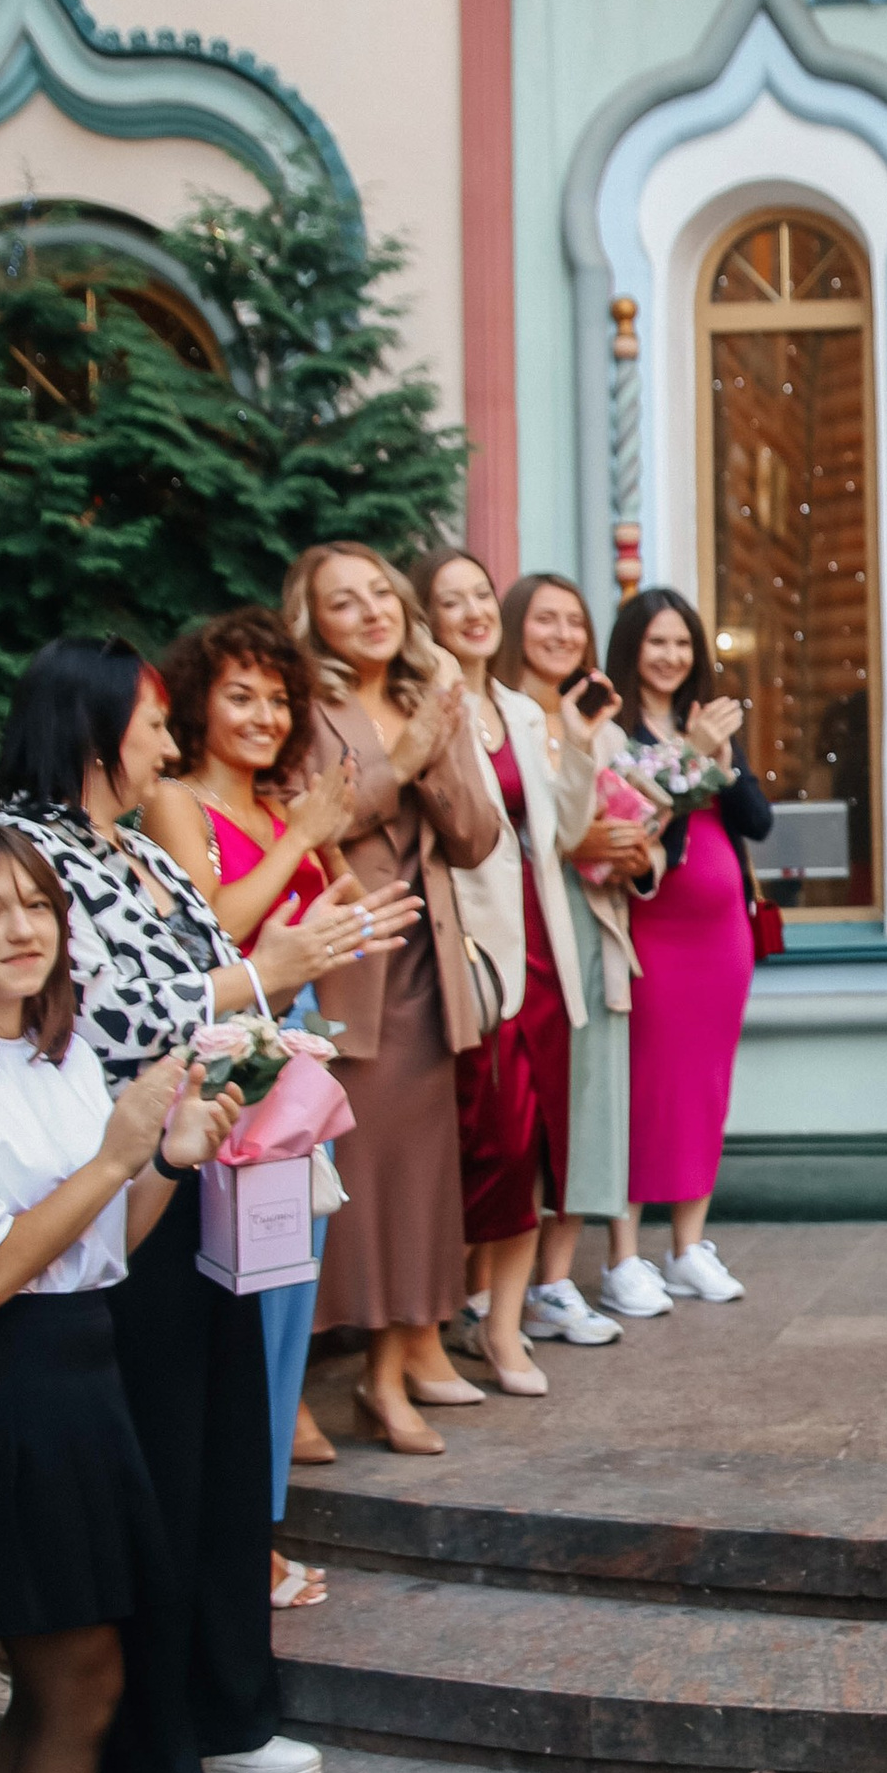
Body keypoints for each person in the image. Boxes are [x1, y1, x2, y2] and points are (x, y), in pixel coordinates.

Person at [0, 638, 397, 1773]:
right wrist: (266, 971)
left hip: (209, 1153)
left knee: (228, 1446)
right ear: (92, 724)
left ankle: (233, 1703)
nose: (166, 745)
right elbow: (97, 1003)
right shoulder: (37, 848)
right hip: (115, 1180)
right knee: (165, 1458)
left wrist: (265, 980)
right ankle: (150, 1754)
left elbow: (211, 958)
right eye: (152, 721)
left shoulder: (133, 845)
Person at [0, 824, 248, 1773]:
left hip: (79, 1369)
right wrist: (110, 1158)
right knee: (71, 1683)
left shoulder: (57, 1055)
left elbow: (105, 1245)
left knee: (60, 1685)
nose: (21, 926)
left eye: (35, 902)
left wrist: (163, 1158)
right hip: (19, 1386)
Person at [145, 606, 352, 1598]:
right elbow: (213, 930)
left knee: (288, 1298)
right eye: (242, 694)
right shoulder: (178, 802)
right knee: (242, 1296)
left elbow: (318, 920)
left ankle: (259, 1520)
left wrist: (336, 873)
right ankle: (241, 1543)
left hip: (302, 1052)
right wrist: (300, 839)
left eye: (279, 697)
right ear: (196, 702)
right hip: (227, 1061)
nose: (265, 714)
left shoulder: (283, 811)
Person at [281, 545, 502, 1457]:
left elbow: (479, 837)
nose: (372, 611)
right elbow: (309, 820)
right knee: (334, 1191)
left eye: (381, 593)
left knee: (413, 1192)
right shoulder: (301, 706)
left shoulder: (426, 700)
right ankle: (287, 1387)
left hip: (424, 972)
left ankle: (383, 1380)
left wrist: (439, 744)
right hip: (341, 967)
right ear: (313, 620)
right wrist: (400, 761)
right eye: (345, 601)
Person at [413, 546, 602, 1398]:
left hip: (542, 940)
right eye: (450, 602)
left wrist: (581, 745)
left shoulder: (525, 712)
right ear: (429, 620)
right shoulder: (428, 706)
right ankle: (444, 1309)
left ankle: (502, 1328)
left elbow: (562, 829)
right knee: (485, 1137)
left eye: (480, 594)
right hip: (471, 949)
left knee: (536, 1145)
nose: (472, 611)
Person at [494, 573, 656, 1346]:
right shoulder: (502, 719)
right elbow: (537, 830)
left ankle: (554, 1279)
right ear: (515, 625)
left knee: (590, 1104)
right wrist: (578, 841)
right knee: (518, 1108)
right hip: (522, 932)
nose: (560, 634)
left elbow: (630, 832)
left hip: (596, 933)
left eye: (573, 622)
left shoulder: (605, 729)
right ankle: (491, 1290)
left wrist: (631, 855)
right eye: (544, 619)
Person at [603, 584, 774, 1311]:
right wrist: (688, 758)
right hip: (651, 926)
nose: (671, 656)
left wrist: (722, 762)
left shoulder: (708, 721)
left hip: (721, 933)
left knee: (706, 1085)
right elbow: (642, 830)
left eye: (682, 643)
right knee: (642, 1086)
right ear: (632, 650)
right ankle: (621, 1256)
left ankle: (686, 1247)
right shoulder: (612, 730)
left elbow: (758, 822)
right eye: (657, 642)